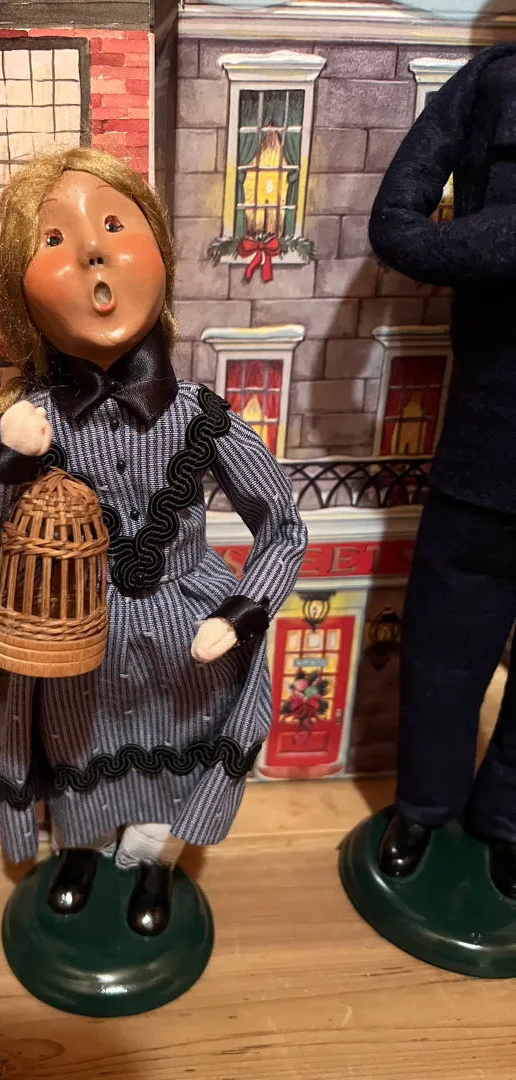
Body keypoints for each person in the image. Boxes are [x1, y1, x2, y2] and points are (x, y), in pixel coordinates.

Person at [0, 148, 306, 935]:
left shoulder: (202, 416)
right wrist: (0, 460)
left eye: (113, 225)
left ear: (159, 252)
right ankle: (82, 850)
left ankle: (154, 865)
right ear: (21, 290)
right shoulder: (30, 420)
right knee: (76, 745)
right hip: (75, 640)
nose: (92, 251)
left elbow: (282, 524)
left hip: (189, 640)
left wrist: (241, 612)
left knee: (184, 748)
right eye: (54, 240)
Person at [369, 44, 516, 895]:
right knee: (442, 655)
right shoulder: (495, 81)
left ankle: (507, 820)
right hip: (482, 451)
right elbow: (395, 223)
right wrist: (499, 240)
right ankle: (423, 807)